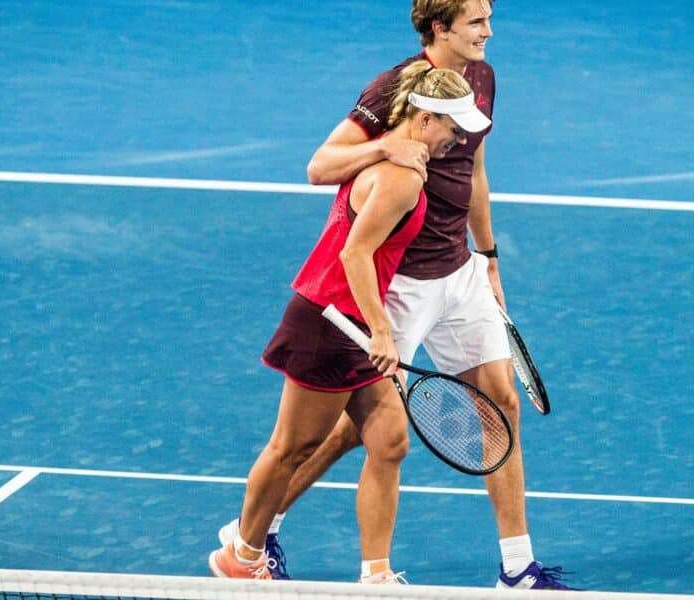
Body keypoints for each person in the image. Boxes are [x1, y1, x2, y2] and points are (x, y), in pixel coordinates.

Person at [219, 0, 577, 589]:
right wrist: (384, 147)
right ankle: (258, 530)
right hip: (399, 284)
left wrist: (486, 257)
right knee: (355, 427)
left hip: (458, 274)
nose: (490, 32)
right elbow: (320, 165)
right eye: (477, 22)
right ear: (439, 28)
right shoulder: (393, 90)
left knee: (500, 404)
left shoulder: (480, 78)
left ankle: (519, 569)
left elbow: (475, 172)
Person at [208, 60, 491, 582]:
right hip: (330, 324)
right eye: (452, 127)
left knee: (389, 439)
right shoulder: (401, 179)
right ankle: (241, 556)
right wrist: (383, 331)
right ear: (425, 120)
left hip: (353, 324)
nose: (458, 139)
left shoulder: (402, 161)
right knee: (292, 446)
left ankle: (377, 577)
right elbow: (355, 256)